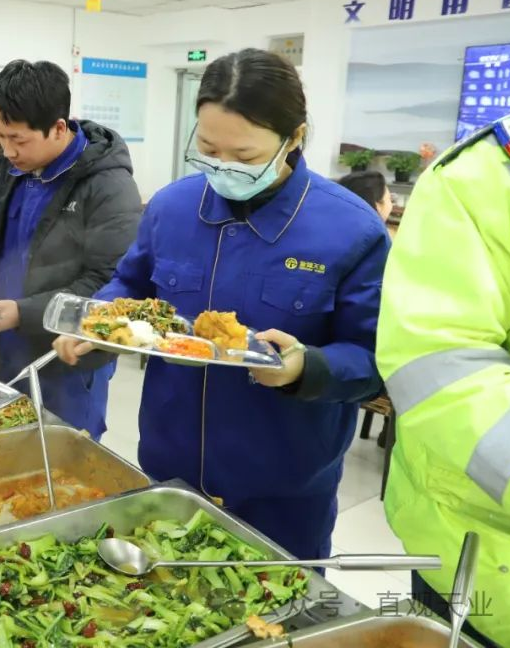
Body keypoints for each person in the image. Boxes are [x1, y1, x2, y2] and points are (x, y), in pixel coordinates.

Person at [53, 49, 389, 560]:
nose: (224, 167)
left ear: (294, 138)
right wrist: (98, 323)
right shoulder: (173, 207)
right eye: (209, 148)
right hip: (170, 472)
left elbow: (375, 359)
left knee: (278, 627)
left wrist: (308, 367)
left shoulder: (351, 230)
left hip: (282, 491)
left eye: (246, 157)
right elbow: (130, 284)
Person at [0, 59, 141, 439]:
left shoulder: (108, 187)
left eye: (16, 139)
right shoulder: (17, 164)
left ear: (57, 128)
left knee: (57, 458)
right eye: (0, 136)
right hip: (0, 345)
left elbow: (108, 282)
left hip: (62, 358)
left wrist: (24, 312)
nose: (5, 150)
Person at [376, 108, 510, 648]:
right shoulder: (494, 176)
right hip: (495, 557)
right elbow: (438, 365)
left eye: (244, 155)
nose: (223, 165)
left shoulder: (338, 219)